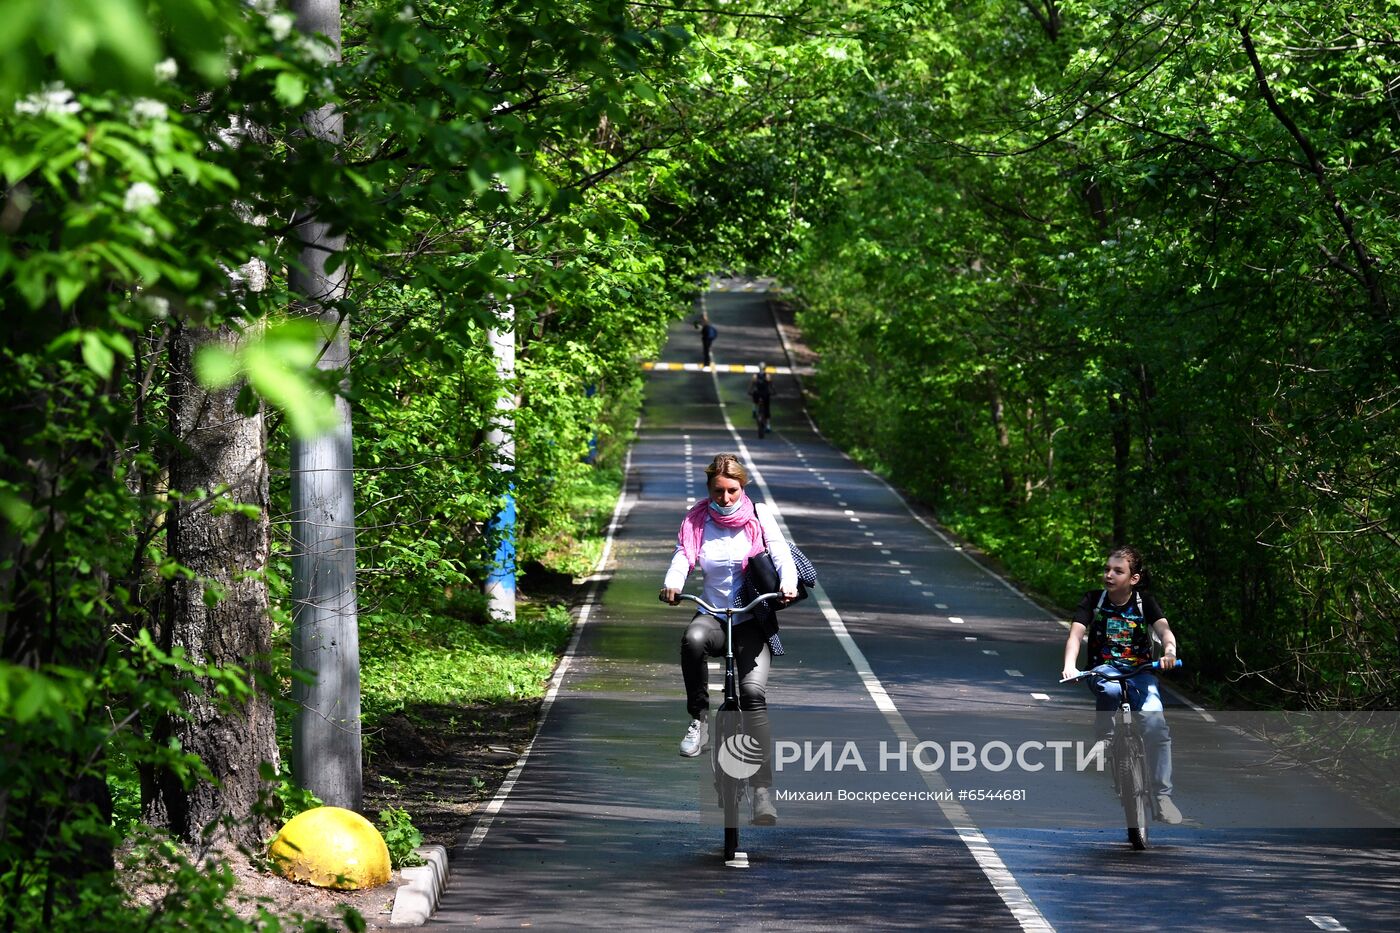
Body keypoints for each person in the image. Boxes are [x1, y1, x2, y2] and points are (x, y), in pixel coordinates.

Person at [660, 453, 797, 825]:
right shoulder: (697, 519)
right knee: (692, 640)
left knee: (753, 696)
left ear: (742, 488)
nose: (725, 499)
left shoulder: (758, 515)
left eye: (732, 491)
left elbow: (781, 552)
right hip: (713, 615)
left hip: (751, 617)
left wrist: (787, 583)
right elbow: (682, 556)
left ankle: (763, 790)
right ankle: (699, 720)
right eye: (718, 491)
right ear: (709, 489)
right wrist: (673, 583)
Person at [1061, 545, 1182, 824]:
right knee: (1111, 689)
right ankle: (1105, 736)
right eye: (1107, 569)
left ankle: (1163, 797)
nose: (1109, 575)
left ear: (1134, 578)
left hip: (1142, 673)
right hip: (1104, 670)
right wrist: (1070, 665)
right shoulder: (1094, 600)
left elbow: (1164, 631)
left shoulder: (1144, 602)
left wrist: (1169, 653)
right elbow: (1076, 635)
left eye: (1118, 570)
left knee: (1155, 725)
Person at [749, 365, 773, 435]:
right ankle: (768, 426)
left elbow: (752, 384)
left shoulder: (755, 375)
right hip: (765, 394)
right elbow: (770, 385)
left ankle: (753, 410)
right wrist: (773, 391)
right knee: (767, 409)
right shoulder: (767, 375)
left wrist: (749, 390)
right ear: (765, 368)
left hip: (757, 393)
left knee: (754, 399)